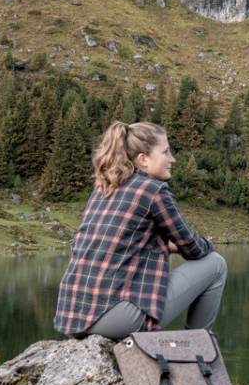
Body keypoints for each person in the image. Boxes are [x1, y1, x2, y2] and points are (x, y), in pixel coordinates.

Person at [54, 121, 226, 340]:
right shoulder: (153, 191)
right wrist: (203, 244)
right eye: (165, 152)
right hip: (111, 319)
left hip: (70, 318)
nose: (172, 159)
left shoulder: (104, 187)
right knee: (216, 264)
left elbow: (123, 242)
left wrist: (164, 245)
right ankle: (197, 348)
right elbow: (194, 249)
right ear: (143, 159)